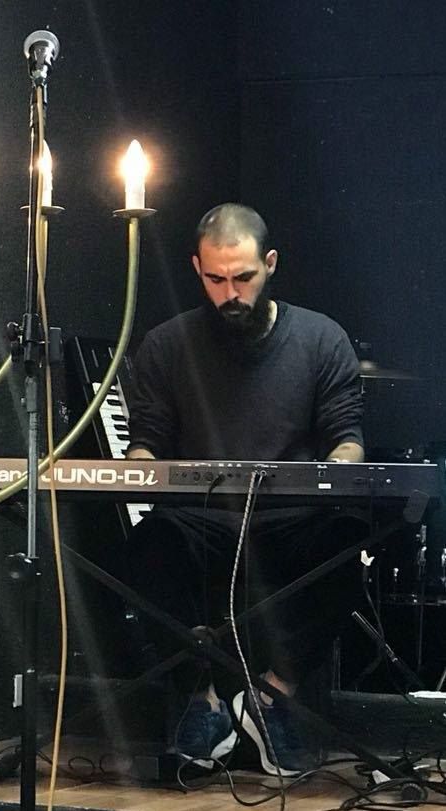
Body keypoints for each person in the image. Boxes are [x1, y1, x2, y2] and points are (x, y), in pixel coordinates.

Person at [126, 203, 368, 775]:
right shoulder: (166, 345)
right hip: (203, 523)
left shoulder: (321, 339)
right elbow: (146, 444)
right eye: (215, 279)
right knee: (146, 547)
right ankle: (206, 698)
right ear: (197, 268)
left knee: (347, 543)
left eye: (243, 277)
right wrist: (139, 471)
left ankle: (270, 696)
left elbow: (347, 440)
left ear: (271, 264)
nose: (230, 293)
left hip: (292, 521)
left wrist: (331, 472)